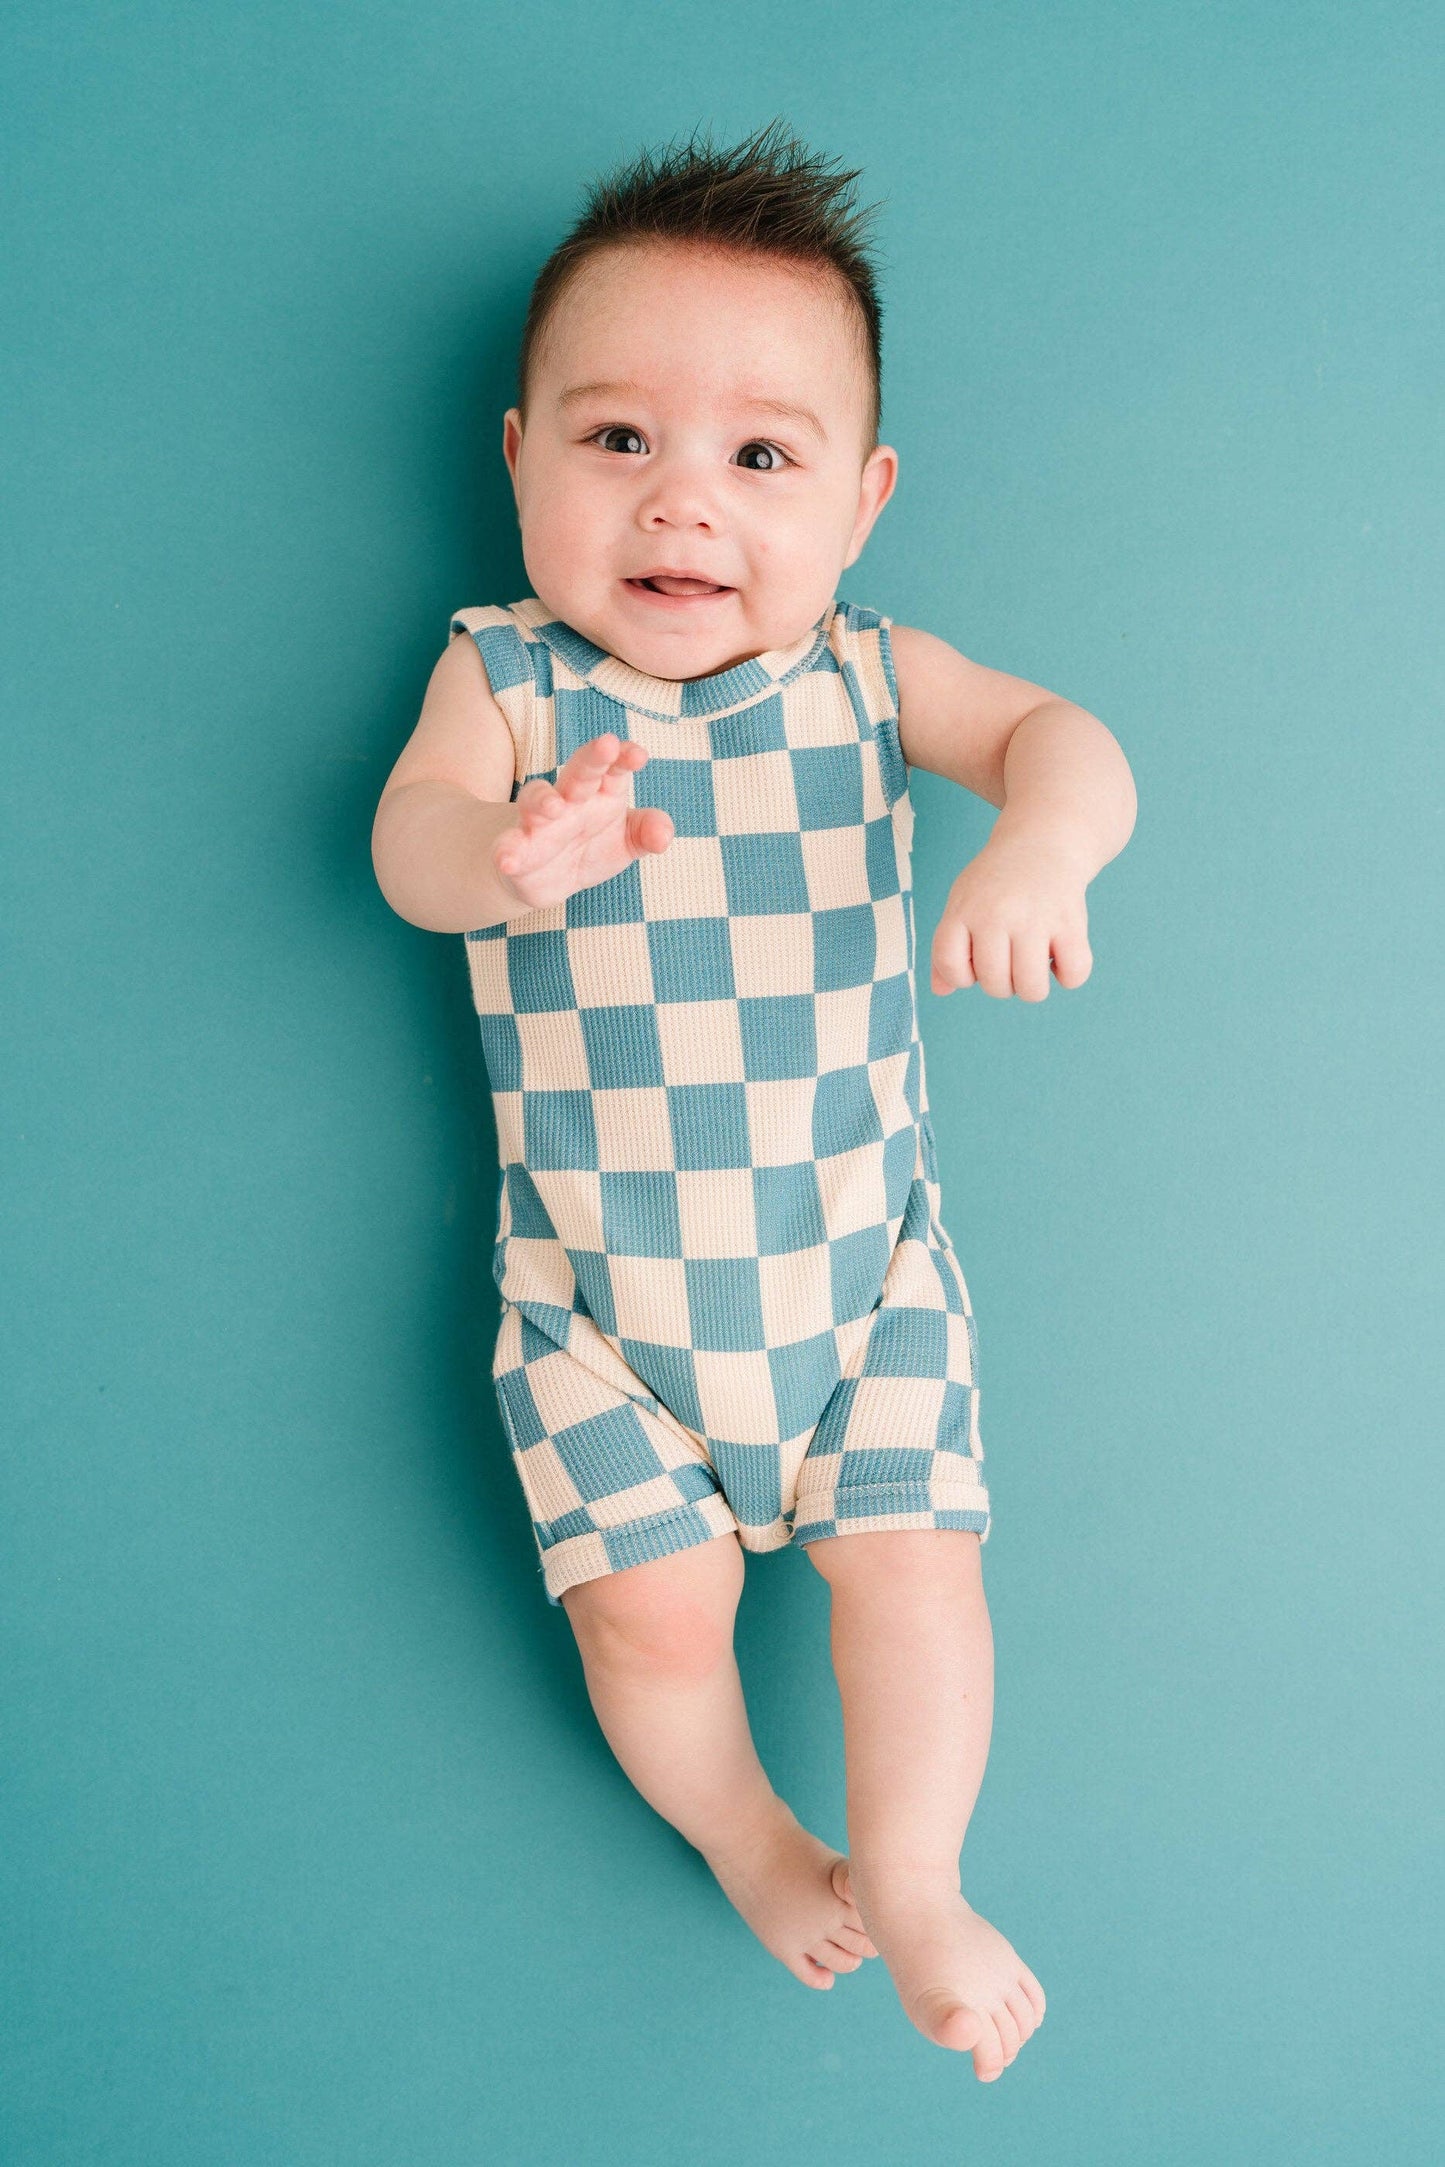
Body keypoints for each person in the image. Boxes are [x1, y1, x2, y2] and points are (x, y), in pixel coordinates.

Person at [371, 118, 1136, 2081]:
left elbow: (1062, 737)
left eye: (760, 458)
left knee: (915, 1571)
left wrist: (1040, 850)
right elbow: (409, 846)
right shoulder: (510, 681)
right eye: (617, 441)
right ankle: (744, 1835)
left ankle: (923, 1869)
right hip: (598, 1315)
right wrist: (498, 862)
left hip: (856, 1276)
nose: (682, 508)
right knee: (646, 1620)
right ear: (520, 456)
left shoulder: (868, 676)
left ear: (863, 500)